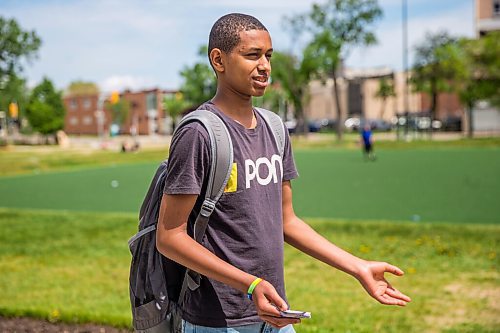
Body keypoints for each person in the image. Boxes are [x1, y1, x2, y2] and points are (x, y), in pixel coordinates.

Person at [156, 13, 410, 333]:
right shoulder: (199, 133)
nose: (265, 66)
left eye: (268, 55)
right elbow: (169, 237)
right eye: (252, 55)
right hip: (219, 323)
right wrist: (250, 285)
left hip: (275, 316)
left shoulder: (274, 128)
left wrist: (357, 267)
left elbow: (287, 221)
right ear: (218, 60)